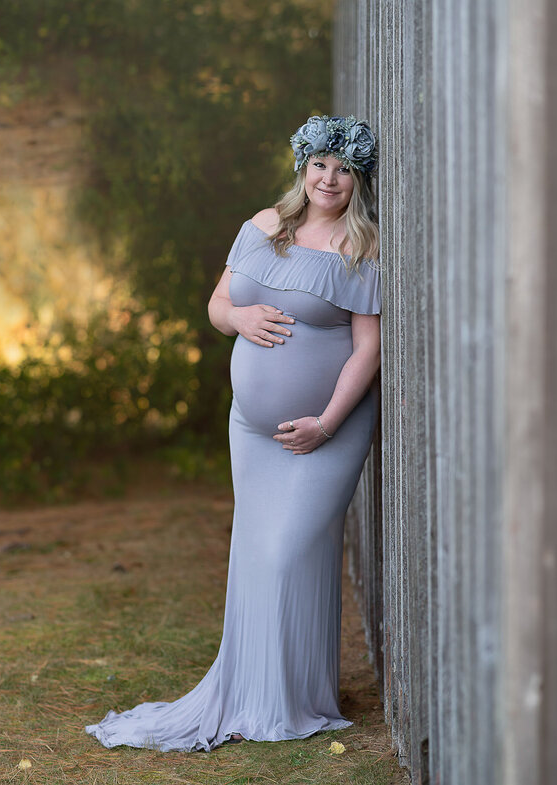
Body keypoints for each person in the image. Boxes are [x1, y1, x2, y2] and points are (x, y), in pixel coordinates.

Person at [85, 115, 381, 752]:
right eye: (320, 165)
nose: (329, 180)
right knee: (254, 555)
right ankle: (257, 695)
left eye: (344, 170)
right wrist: (241, 316)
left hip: (325, 429)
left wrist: (327, 422)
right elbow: (218, 306)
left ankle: (293, 698)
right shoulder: (263, 225)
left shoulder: (362, 248)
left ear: (358, 180)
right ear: (303, 168)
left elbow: (367, 351)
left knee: (289, 551)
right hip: (251, 428)